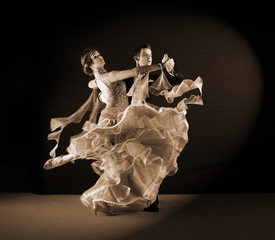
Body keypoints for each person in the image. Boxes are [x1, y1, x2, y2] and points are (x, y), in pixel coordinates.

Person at [44, 47, 204, 216]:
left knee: (121, 152)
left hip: (125, 116)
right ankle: (68, 157)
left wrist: (99, 88)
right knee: (107, 145)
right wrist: (160, 65)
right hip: (114, 116)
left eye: (99, 53)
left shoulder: (100, 77)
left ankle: (142, 196)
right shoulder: (109, 75)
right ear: (90, 65)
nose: (100, 56)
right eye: (96, 56)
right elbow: (135, 71)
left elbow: (91, 83)